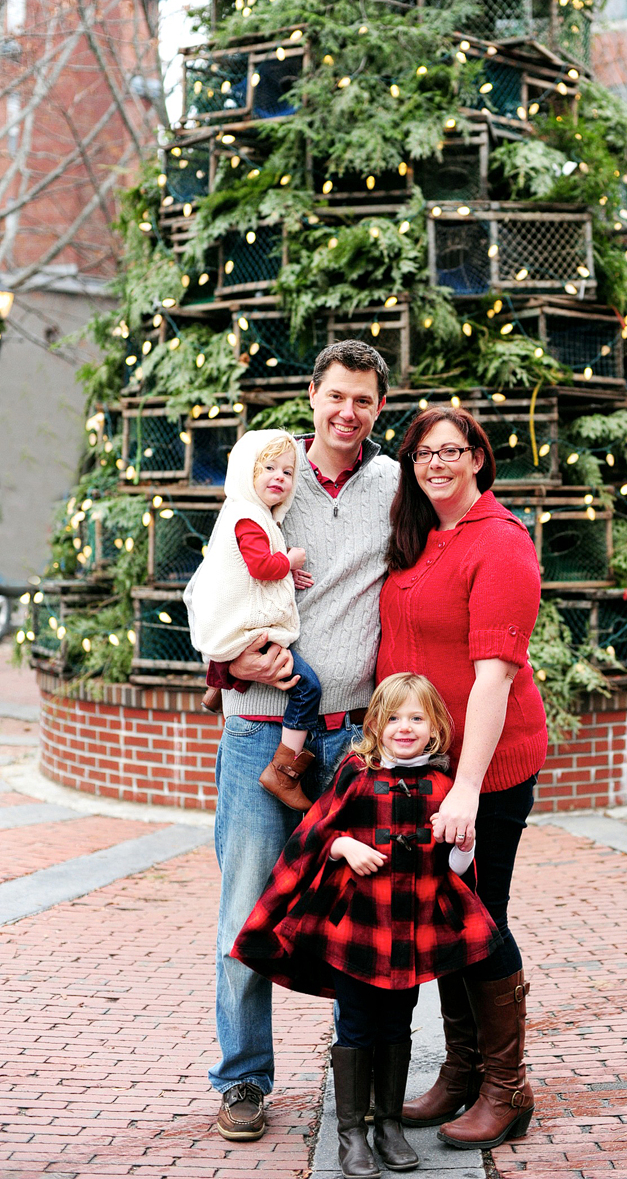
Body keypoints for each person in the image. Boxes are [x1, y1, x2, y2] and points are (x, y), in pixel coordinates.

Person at [184, 341, 399, 1143]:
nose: (348, 413)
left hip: (350, 740)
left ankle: (356, 1077)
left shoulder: (391, 483)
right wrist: (222, 657)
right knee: (246, 909)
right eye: (336, 396)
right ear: (312, 396)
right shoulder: (273, 470)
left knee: (354, 910)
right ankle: (243, 1079)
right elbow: (207, 579)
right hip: (255, 733)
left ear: (380, 407)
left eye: (365, 400)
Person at [231, 673, 501, 1179]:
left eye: (417, 718)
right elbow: (314, 834)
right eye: (394, 718)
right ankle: (351, 1133)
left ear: (435, 727)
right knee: (356, 1024)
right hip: (355, 931)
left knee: (397, 1023)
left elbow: (458, 873)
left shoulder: (444, 788)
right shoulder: (357, 774)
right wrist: (343, 846)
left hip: (410, 933)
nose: (405, 728)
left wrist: (460, 843)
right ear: (375, 725)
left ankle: (389, 1126)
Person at [376, 406, 548, 1149]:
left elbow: (493, 678)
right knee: (447, 913)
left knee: (478, 916)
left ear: (479, 456)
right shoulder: (421, 537)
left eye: (452, 450)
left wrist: (470, 787)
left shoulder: (502, 544)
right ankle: (463, 1069)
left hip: (486, 767)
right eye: (423, 453)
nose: (436, 464)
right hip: (423, 767)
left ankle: (508, 1087)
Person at [188, 429, 322, 811]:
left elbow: (253, 569)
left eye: (288, 472)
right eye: (268, 468)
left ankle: (219, 686)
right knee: (308, 687)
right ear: (247, 471)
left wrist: (285, 573)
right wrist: (290, 561)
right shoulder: (248, 518)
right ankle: (283, 772)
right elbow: (262, 566)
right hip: (249, 634)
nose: (279, 477)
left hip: (248, 634)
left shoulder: (254, 516)